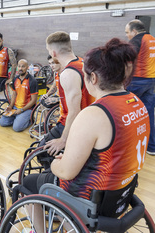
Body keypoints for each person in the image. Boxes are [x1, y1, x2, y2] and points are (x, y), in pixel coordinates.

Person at [22, 38, 150, 231]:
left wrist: (58, 162)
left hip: (92, 196)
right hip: (123, 191)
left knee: (27, 184)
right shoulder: (137, 103)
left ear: (94, 79)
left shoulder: (94, 114)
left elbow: (66, 172)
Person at [43, 31, 94, 155]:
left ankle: (59, 172)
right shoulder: (82, 62)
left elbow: (74, 111)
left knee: (44, 151)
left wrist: (63, 140)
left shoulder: (68, 73)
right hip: (89, 119)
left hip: (74, 123)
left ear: (53, 53)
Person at [125, 19, 155, 155]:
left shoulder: (137, 40)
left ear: (134, 31)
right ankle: (151, 147)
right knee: (148, 113)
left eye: (127, 32)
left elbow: (127, 60)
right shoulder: (152, 38)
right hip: (151, 81)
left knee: (125, 111)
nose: (127, 36)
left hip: (137, 80)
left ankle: (126, 144)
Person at [0, 59, 38, 132]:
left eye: (23, 66)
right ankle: (18, 118)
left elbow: (34, 100)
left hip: (27, 109)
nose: (20, 68)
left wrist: (22, 110)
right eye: (19, 66)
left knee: (17, 128)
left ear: (27, 67)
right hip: (15, 107)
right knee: (2, 123)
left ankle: (30, 120)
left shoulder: (32, 81)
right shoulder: (15, 79)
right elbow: (14, 94)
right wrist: (10, 106)